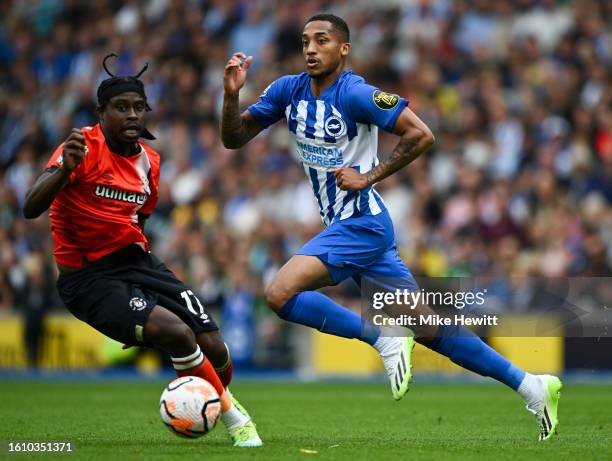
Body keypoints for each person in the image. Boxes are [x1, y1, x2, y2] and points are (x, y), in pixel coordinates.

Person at [221, 13, 562, 441]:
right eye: (306, 41)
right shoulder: (287, 91)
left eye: (322, 40)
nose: (310, 48)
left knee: (279, 293)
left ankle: (382, 337)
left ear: (343, 49)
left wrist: (369, 176)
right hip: (357, 227)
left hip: (361, 222)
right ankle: (532, 385)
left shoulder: (358, 94)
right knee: (431, 330)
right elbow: (233, 139)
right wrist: (231, 97)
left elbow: (421, 134)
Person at [23, 54, 262, 447]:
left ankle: (203, 396)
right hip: (88, 279)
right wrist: (65, 170)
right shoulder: (80, 148)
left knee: (214, 347)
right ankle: (238, 421)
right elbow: (31, 207)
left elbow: (140, 220)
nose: (132, 115)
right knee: (177, 334)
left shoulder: (150, 161)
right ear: (101, 112)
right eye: (121, 107)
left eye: (138, 107)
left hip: (137, 262)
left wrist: (140, 293)